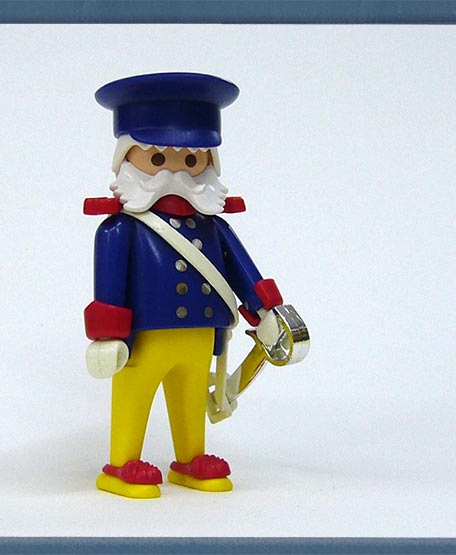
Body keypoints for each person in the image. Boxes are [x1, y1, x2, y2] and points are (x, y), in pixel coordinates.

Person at [84, 73, 284, 499]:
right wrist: (107, 336)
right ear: (126, 158)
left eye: (192, 160)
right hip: (144, 338)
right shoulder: (120, 229)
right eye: (158, 158)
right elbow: (109, 285)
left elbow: (243, 271)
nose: (176, 170)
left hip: (201, 335)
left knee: (191, 396)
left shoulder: (214, 227)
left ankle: (190, 457)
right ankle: (122, 462)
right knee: (135, 394)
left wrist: (266, 310)